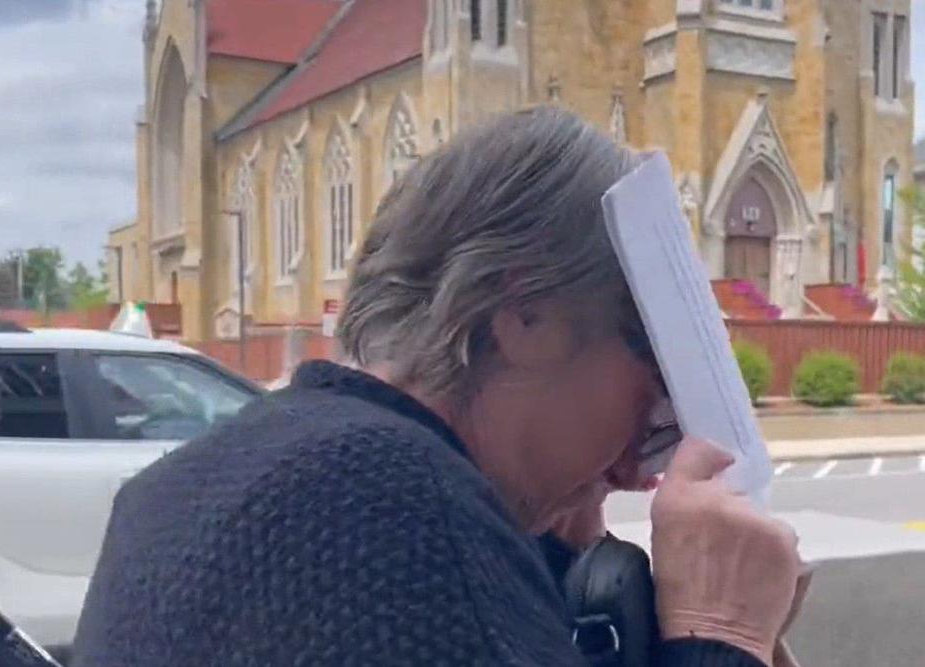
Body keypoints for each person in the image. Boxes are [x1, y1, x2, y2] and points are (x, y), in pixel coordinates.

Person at [65, 107, 802, 666]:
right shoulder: (397, 506)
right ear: (527, 313)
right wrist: (721, 634)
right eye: (656, 379)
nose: (636, 464)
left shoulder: (179, 486)